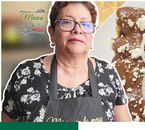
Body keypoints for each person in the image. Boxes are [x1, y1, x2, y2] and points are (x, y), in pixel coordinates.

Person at [2, 1, 132, 122]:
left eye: (85, 24)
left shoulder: (108, 74)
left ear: (92, 35)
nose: (77, 29)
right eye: (67, 22)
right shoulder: (26, 74)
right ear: (51, 32)